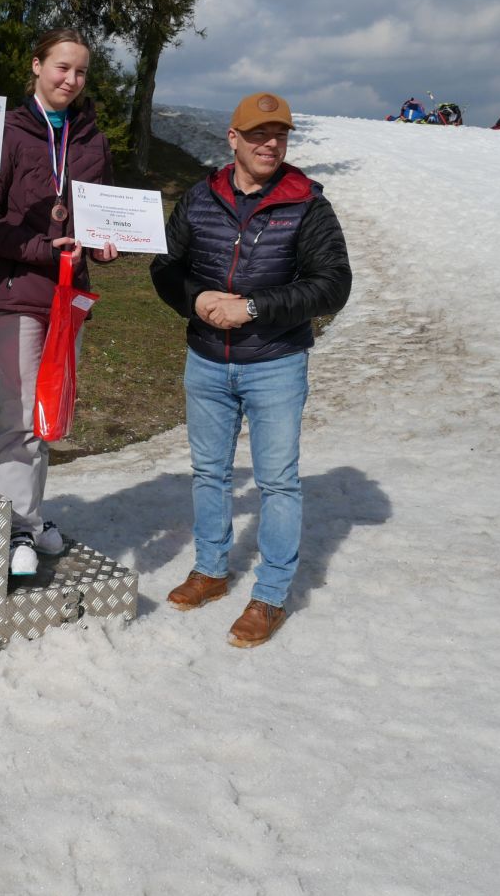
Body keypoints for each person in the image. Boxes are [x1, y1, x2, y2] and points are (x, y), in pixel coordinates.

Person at [150, 92, 352, 648]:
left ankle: (270, 595)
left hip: (275, 363)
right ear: (233, 139)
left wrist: (254, 308)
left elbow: (333, 284)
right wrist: (195, 299)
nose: (271, 144)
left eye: (280, 135)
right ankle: (211, 570)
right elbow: (165, 265)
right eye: (259, 134)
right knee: (209, 473)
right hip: (206, 360)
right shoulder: (200, 197)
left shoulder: (307, 204)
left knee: (278, 481)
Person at [0, 29, 118, 575]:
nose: (71, 80)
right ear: (36, 66)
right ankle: (11, 531)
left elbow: (104, 215)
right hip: (17, 291)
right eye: (61, 67)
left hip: (67, 298)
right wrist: (38, 249)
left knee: (48, 411)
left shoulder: (92, 139)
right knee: (21, 415)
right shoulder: (5, 131)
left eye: (80, 72)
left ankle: (26, 517)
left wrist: (106, 247)